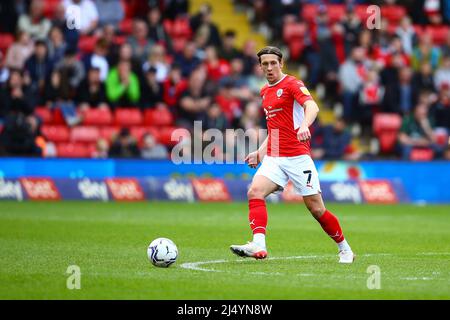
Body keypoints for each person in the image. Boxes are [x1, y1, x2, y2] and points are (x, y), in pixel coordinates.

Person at [230, 46, 355, 264]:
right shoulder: (264, 92)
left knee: (316, 209)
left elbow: (312, 107)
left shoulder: (292, 84)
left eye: (273, 63)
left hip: (298, 157)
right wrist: (260, 152)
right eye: (265, 64)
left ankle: (344, 249)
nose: (269, 68)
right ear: (260, 66)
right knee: (255, 191)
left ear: (281, 63)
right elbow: (274, 129)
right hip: (275, 156)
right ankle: (258, 244)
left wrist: (305, 125)